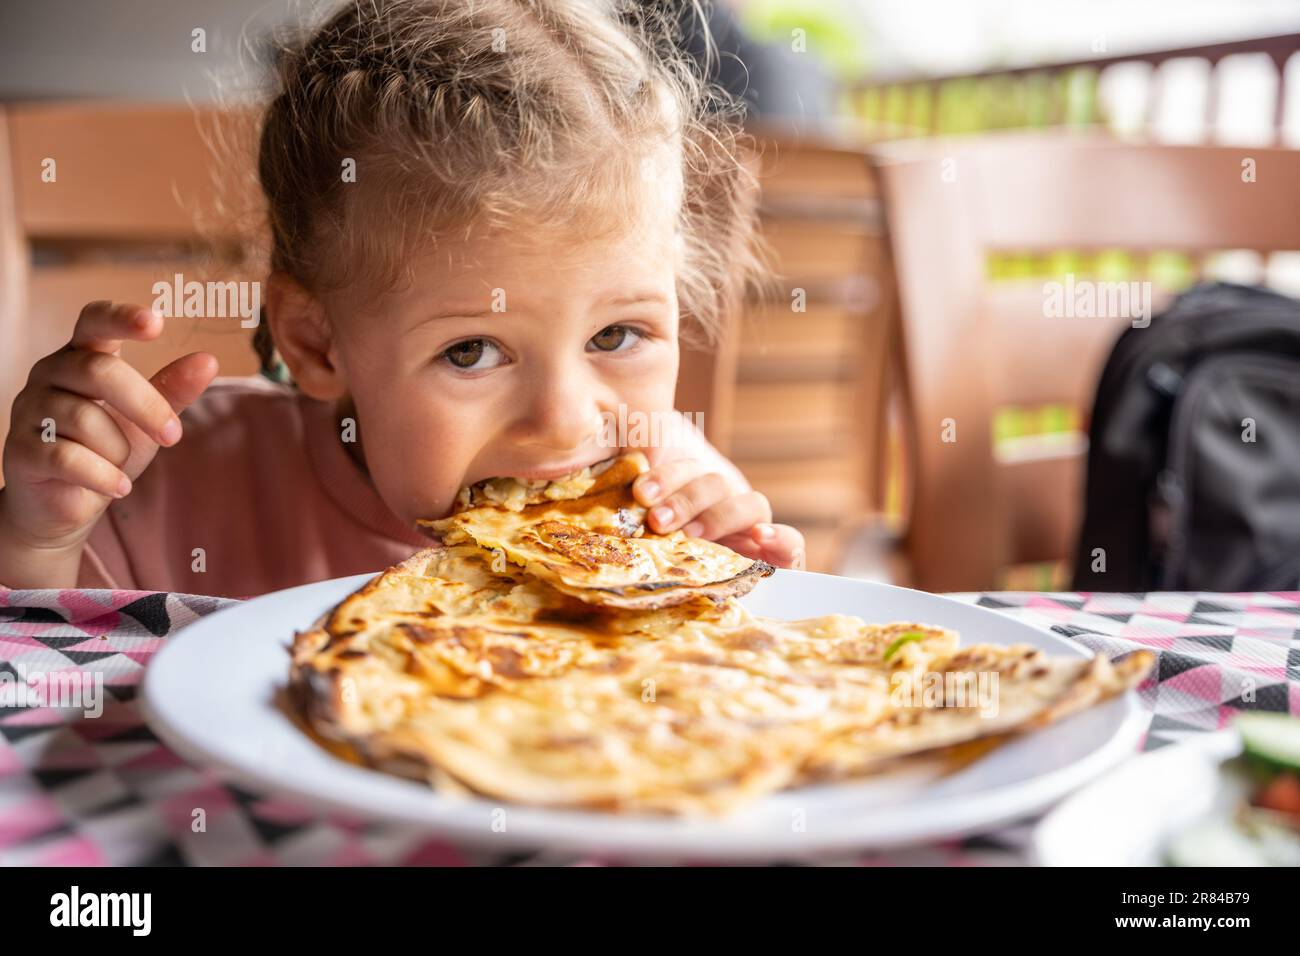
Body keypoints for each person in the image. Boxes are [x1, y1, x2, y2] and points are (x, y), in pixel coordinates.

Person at [0, 0, 804, 598]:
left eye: (618, 335)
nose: (565, 420)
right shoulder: (174, 490)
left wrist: (731, 587)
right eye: (471, 351)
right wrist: (38, 540)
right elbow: (48, 678)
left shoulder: (674, 494)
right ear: (317, 345)